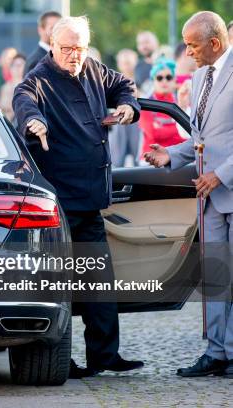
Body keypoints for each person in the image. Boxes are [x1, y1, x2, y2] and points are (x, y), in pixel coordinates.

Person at [13, 15, 144, 379]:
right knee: (61, 287)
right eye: (68, 48)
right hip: (60, 205)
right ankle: (59, 359)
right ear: (52, 46)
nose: (74, 55)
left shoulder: (93, 68)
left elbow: (124, 84)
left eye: (80, 48)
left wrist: (128, 106)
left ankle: (105, 356)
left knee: (100, 283)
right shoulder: (37, 79)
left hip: (92, 197)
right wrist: (32, 122)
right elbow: (24, 101)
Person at [145, 11, 233, 380]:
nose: (187, 52)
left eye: (192, 45)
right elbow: (200, 136)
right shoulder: (199, 78)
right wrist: (172, 155)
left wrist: (220, 175)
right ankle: (217, 352)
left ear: (214, 43)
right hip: (209, 198)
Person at [139, 58, 186, 162]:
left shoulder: (182, 101)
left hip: (178, 158)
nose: (164, 81)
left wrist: (163, 128)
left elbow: (189, 135)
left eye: (168, 77)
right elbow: (153, 134)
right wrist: (179, 129)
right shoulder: (145, 104)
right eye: (159, 78)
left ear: (174, 80)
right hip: (151, 160)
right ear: (153, 81)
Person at [109, 49, 141, 167]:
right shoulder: (113, 81)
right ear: (119, 64)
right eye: (124, 63)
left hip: (138, 122)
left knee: (138, 156)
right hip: (118, 123)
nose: (127, 66)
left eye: (129, 62)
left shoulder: (142, 79)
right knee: (116, 160)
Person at [0, 53, 26, 122]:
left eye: (20, 65)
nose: (17, 68)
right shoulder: (4, 88)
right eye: (14, 65)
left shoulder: (27, 87)